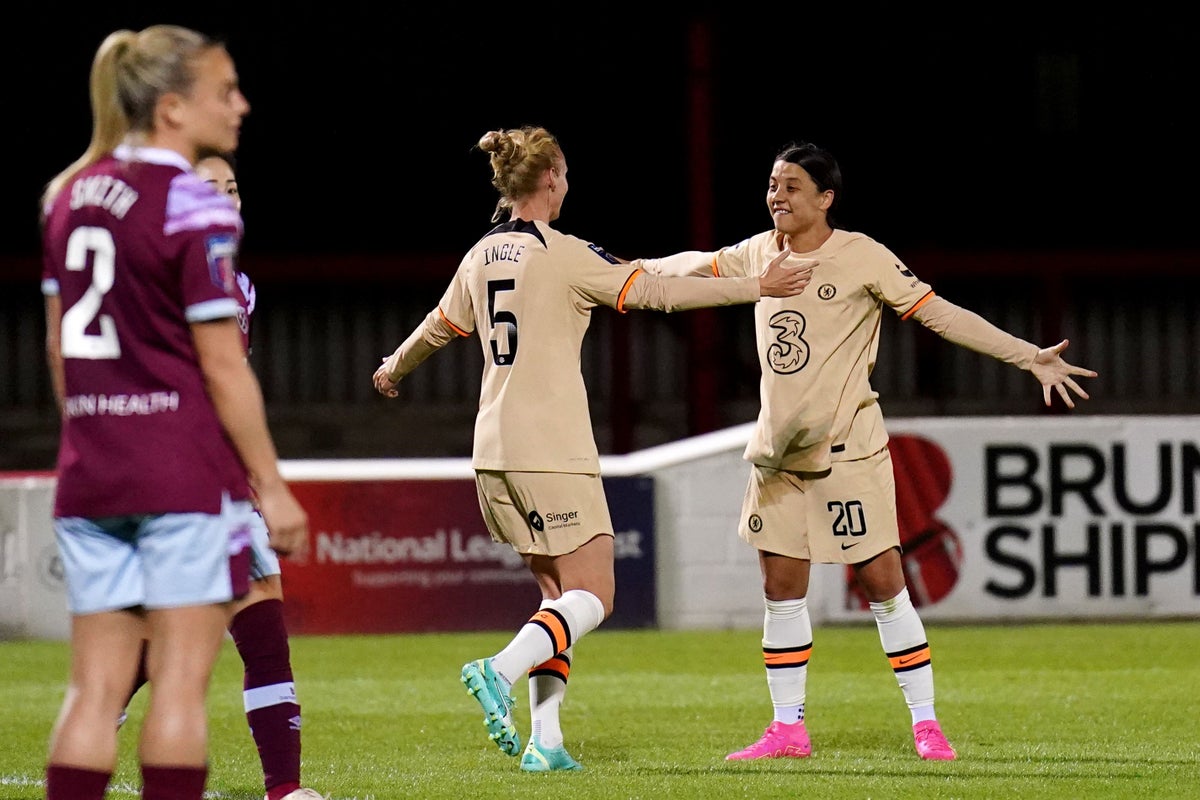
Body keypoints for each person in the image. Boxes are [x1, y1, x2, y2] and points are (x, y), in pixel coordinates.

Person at [633, 140, 1097, 762]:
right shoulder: (758, 254)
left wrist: (1025, 356)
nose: (778, 196)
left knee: (884, 583)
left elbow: (942, 315)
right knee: (781, 588)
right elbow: (694, 265)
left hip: (849, 449)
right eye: (773, 184)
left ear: (826, 198)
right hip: (778, 453)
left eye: (793, 186)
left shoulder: (862, 257)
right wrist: (623, 269)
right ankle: (788, 729)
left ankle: (926, 725)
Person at [371, 125, 814, 772]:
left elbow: (441, 326)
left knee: (557, 599)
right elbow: (656, 290)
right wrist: (756, 287)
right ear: (549, 176)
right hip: (550, 448)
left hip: (492, 451)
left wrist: (393, 368)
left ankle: (545, 742)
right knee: (596, 595)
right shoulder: (563, 253)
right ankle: (498, 671)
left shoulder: (481, 254)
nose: (569, 181)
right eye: (567, 171)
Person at [39, 25, 308, 800]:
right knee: (181, 692)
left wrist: (99, 435)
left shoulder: (70, 194)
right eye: (225, 90)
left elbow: (60, 353)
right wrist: (271, 483)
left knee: (92, 693)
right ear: (173, 106)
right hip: (179, 474)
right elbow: (223, 363)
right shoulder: (190, 201)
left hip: (93, 473)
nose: (241, 103)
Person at [115, 153, 324, 800]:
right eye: (212, 188)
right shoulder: (171, 273)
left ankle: (284, 788)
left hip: (218, 477)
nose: (229, 198)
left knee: (252, 626)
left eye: (235, 187)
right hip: (179, 473)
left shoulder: (239, 284)